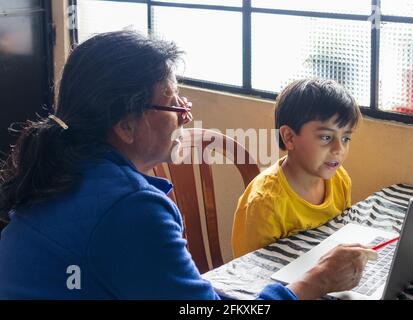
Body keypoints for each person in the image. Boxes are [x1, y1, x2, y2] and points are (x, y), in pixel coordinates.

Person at [0, 31, 376, 299]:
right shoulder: (128, 208)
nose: (185, 114)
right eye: (172, 100)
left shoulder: (66, 168)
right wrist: (313, 283)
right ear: (126, 124)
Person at [232, 79, 361, 258]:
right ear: (289, 137)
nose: (339, 149)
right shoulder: (264, 204)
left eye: (346, 138)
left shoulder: (339, 179)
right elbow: (252, 273)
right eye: (326, 137)